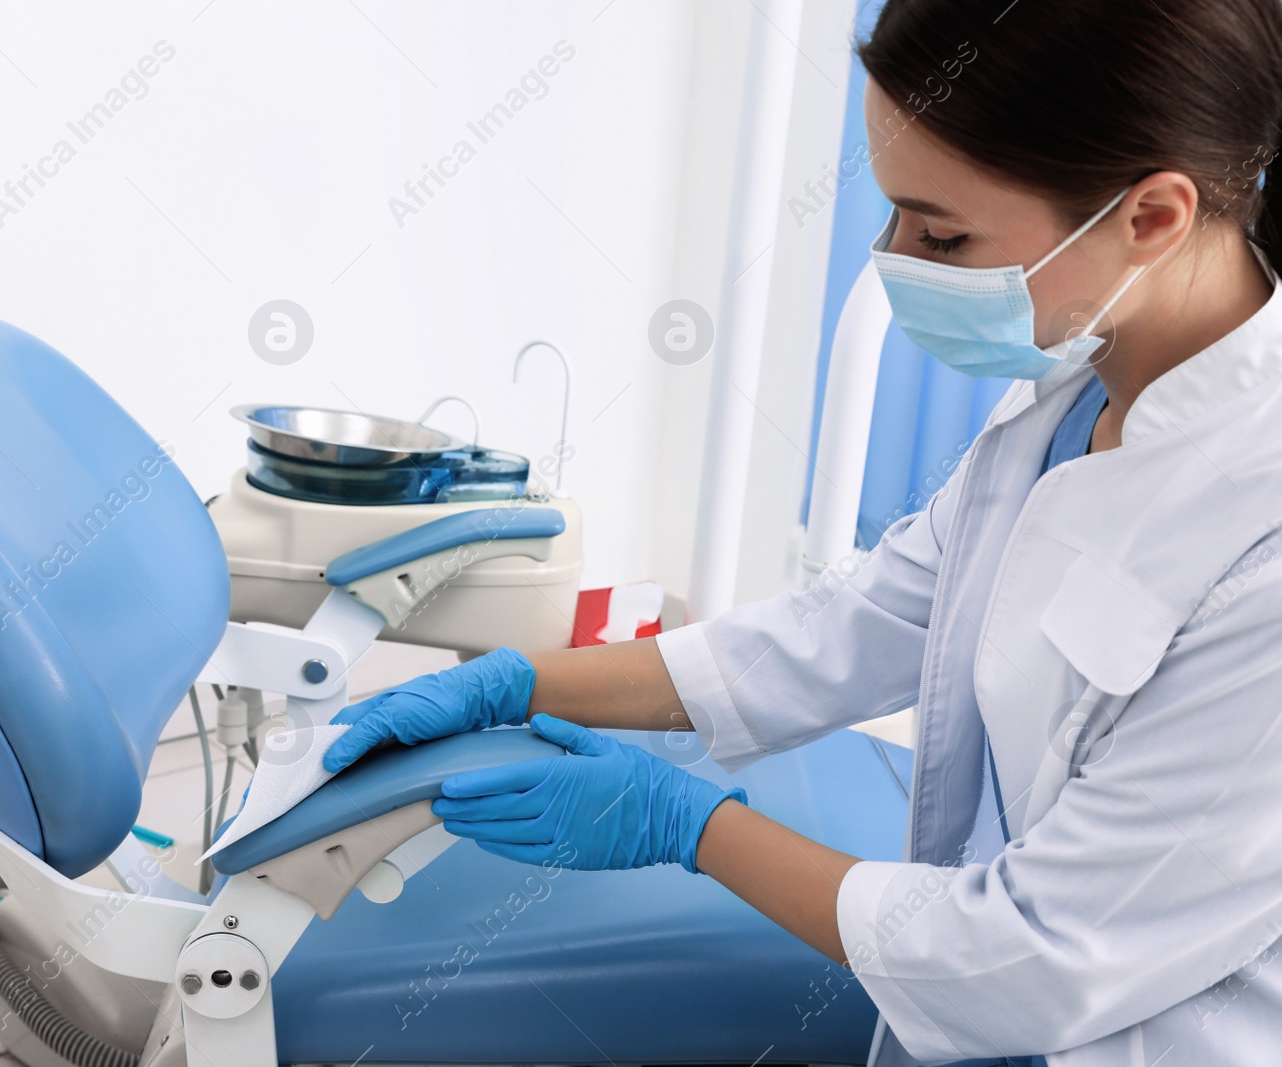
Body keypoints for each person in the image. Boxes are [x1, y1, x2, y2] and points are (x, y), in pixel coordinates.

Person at [324, 0, 1282, 1063]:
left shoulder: (1262, 541)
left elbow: (1041, 955)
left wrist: (688, 825)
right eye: (889, 216)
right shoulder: (1063, 402)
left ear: (1149, 216)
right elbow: (845, 628)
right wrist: (514, 682)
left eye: (939, 232)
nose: (890, 258)